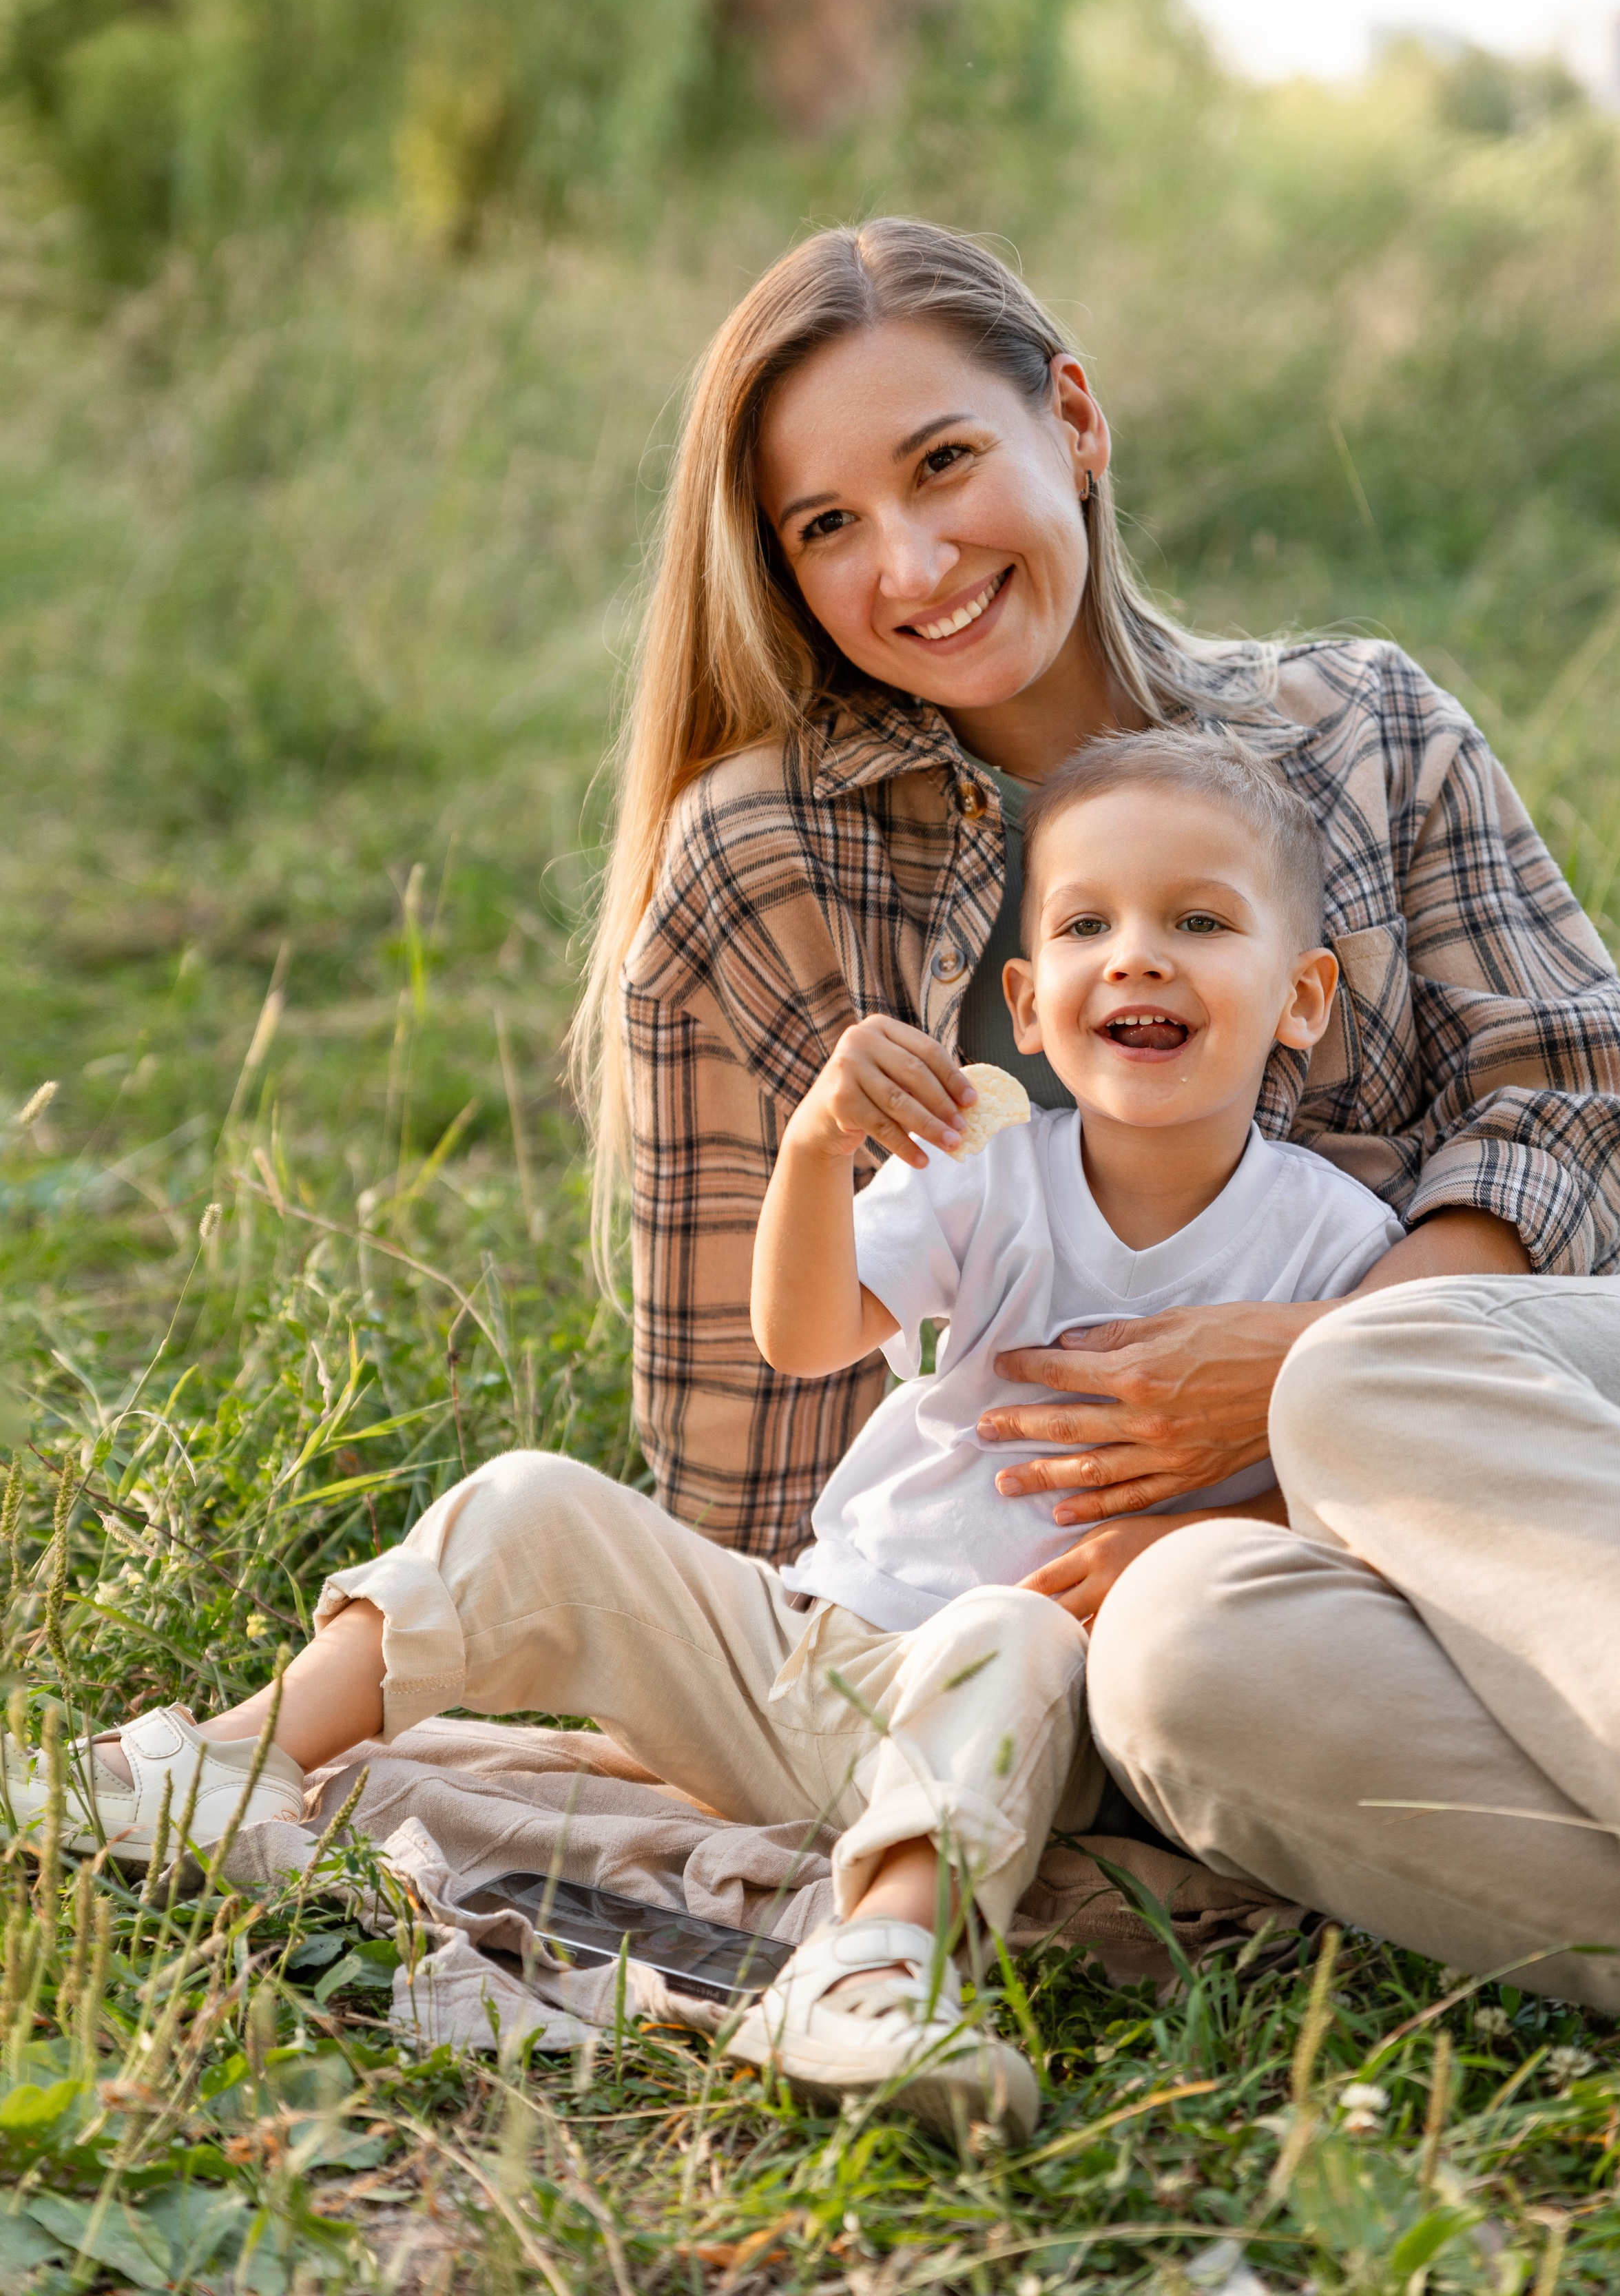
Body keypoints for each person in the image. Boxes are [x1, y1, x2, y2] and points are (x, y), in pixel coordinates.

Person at [570, 215, 1620, 2025]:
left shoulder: (1358, 726)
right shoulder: (765, 866)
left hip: (1599, 1453)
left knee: (1368, 1377)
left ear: (1075, 423)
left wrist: (1294, 1388)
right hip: (1237, 1602)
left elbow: (1561, 1102)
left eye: (946, 462)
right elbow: (750, 1447)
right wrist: (868, 1724)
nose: (910, 560)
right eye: (825, 526)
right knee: (1173, 1671)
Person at [7, 732, 1393, 2149]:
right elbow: (803, 1334)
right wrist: (813, 1149)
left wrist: (1193, 1535)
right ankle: (220, 1768)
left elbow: (1372, 1483)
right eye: (1089, 924)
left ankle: (872, 1969)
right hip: (802, 1654)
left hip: (1022, 1713)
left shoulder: (1335, 1245)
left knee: (1012, 1633)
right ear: (1027, 1007)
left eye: (1198, 922)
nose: (1140, 957)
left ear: (1298, 997)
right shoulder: (988, 1172)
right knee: (534, 1503)